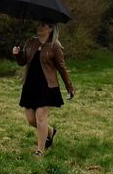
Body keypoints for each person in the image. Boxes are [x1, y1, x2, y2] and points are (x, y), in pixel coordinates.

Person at [12, 22, 75, 156]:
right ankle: (50, 131)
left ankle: (40, 150)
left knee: (41, 117)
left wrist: (69, 87)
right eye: (39, 25)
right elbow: (22, 62)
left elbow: (61, 67)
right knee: (31, 120)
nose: (39, 27)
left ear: (50, 29)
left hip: (47, 86)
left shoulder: (54, 46)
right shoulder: (31, 43)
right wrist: (17, 54)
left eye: (43, 25)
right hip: (30, 85)